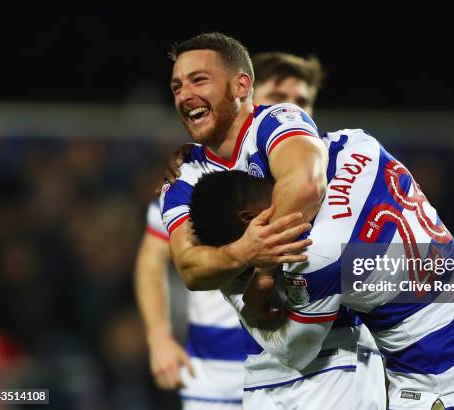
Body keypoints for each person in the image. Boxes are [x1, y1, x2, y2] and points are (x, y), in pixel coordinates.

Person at [187, 128, 454, 410]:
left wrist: (233, 288)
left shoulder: (313, 255)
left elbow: (295, 350)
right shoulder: (354, 144)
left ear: (249, 220)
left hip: (445, 378)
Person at [136, 42, 366, 408]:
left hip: (335, 354)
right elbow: (187, 268)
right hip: (232, 364)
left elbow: (306, 186)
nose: (185, 95)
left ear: (242, 87)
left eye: (198, 80)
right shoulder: (183, 178)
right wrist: (160, 338)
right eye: (178, 86)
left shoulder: (290, 138)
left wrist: (261, 271)